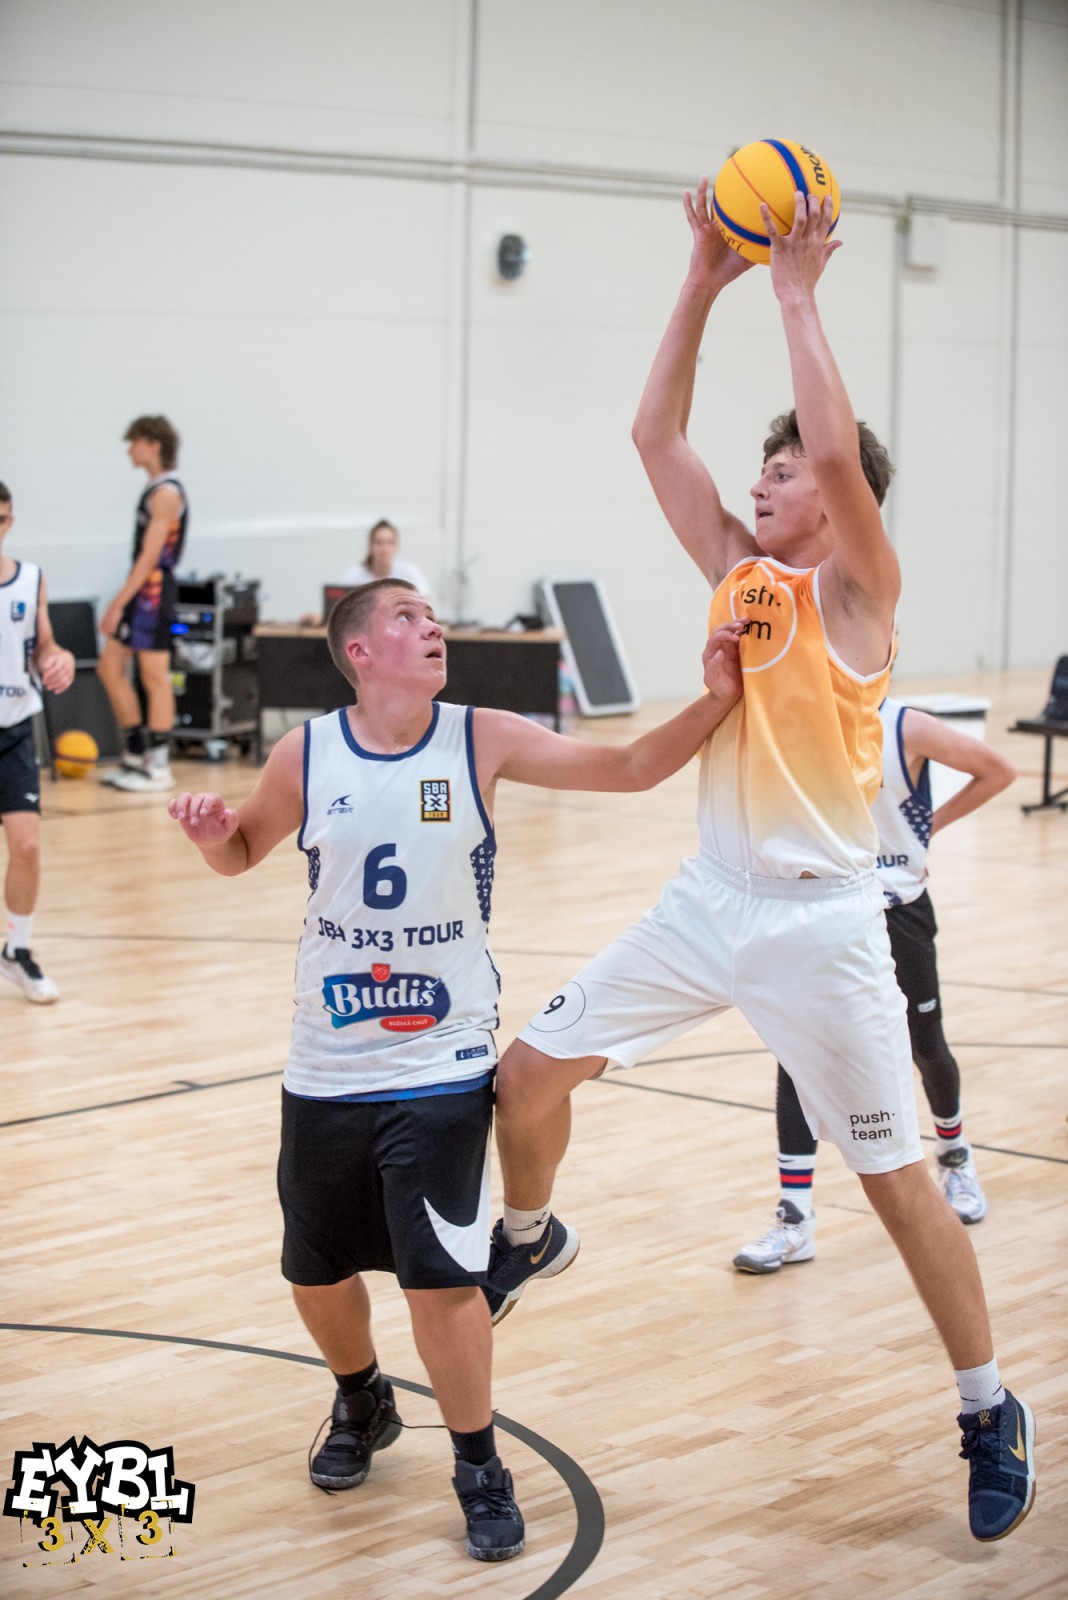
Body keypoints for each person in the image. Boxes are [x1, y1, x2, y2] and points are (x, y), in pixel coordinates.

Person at [481, 186, 1036, 1543]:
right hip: (707, 901)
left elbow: (840, 454)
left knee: (896, 1187)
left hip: (825, 927)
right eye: (767, 468)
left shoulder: (861, 593)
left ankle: (988, 1406)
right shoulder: (739, 573)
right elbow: (653, 435)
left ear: (838, 509)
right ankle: (529, 1234)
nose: (764, 481)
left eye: (781, 471)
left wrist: (794, 291)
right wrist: (700, 275)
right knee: (527, 1076)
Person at [168, 577, 742, 1563]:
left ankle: (480, 1465)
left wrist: (717, 695)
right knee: (317, 1270)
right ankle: (363, 1398)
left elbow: (632, 766)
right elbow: (246, 848)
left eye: (431, 615)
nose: (431, 626)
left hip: (442, 1055)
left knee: (439, 1283)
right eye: (407, 616)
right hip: (327, 1055)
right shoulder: (308, 751)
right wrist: (214, 837)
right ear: (359, 651)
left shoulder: (480, 738)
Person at [733, 700, 1016, 1273]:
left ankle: (956, 1160)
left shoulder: (905, 725)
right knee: (798, 1057)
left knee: (925, 1043)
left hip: (898, 908)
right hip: (824, 912)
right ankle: (795, 1218)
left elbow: (998, 770)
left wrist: (927, 830)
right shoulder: (799, 720)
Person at [0, 481, 75, 1002]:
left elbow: (43, 645)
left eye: (3, 519)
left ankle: (17, 950)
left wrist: (58, 659)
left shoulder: (30, 579)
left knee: (26, 844)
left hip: (14, 729)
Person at [97, 415, 188, 793]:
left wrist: (117, 603)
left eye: (133, 442)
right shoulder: (154, 489)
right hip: (143, 593)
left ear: (153, 444)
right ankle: (136, 754)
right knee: (110, 667)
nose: (129, 450)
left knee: (154, 677)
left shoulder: (166, 493)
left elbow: (150, 556)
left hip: (153, 594)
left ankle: (159, 765)